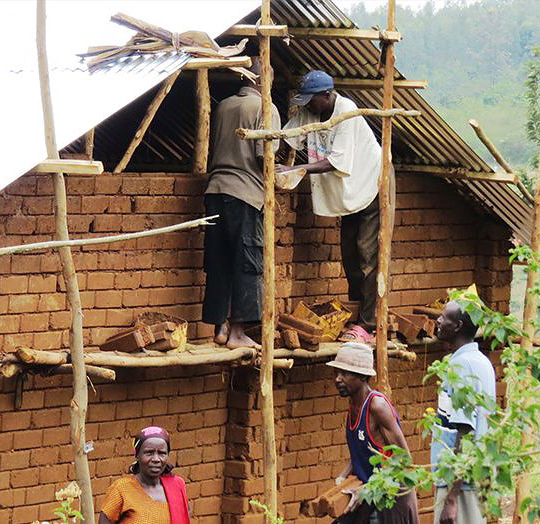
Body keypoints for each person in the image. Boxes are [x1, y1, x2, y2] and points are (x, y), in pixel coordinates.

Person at [279, 70, 394, 344]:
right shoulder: (311, 111)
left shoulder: (346, 111)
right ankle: (358, 317)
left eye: (312, 99)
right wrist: (272, 159)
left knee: (367, 256)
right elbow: (287, 137)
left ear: (327, 95)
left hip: (371, 185)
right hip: (350, 193)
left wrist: (296, 168)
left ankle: (368, 325)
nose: (307, 105)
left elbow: (335, 162)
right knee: (350, 257)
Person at [202, 58, 281, 350]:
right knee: (247, 264)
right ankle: (238, 333)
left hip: (215, 191)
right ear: (263, 80)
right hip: (246, 195)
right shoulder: (265, 108)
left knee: (219, 261)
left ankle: (220, 327)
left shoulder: (223, 105)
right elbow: (265, 157)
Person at [327, 343, 420, 524]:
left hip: (391, 499)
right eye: (336, 373)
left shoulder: (377, 407)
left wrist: (366, 490)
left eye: (344, 374)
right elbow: (361, 455)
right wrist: (342, 478)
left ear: (362, 376)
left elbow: (403, 460)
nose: (337, 379)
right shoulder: (353, 406)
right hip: (369, 496)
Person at [430, 301, 496, 524]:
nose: (438, 321)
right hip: (472, 479)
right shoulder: (479, 361)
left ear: (457, 326)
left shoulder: (462, 366)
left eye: (443, 317)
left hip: (460, 484)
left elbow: (465, 432)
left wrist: (451, 497)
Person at [98, 426, 190, 524]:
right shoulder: (121, 489)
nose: (156, 459)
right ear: (137, 455)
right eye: (149, 453)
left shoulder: (177, 487)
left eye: (162, 453)